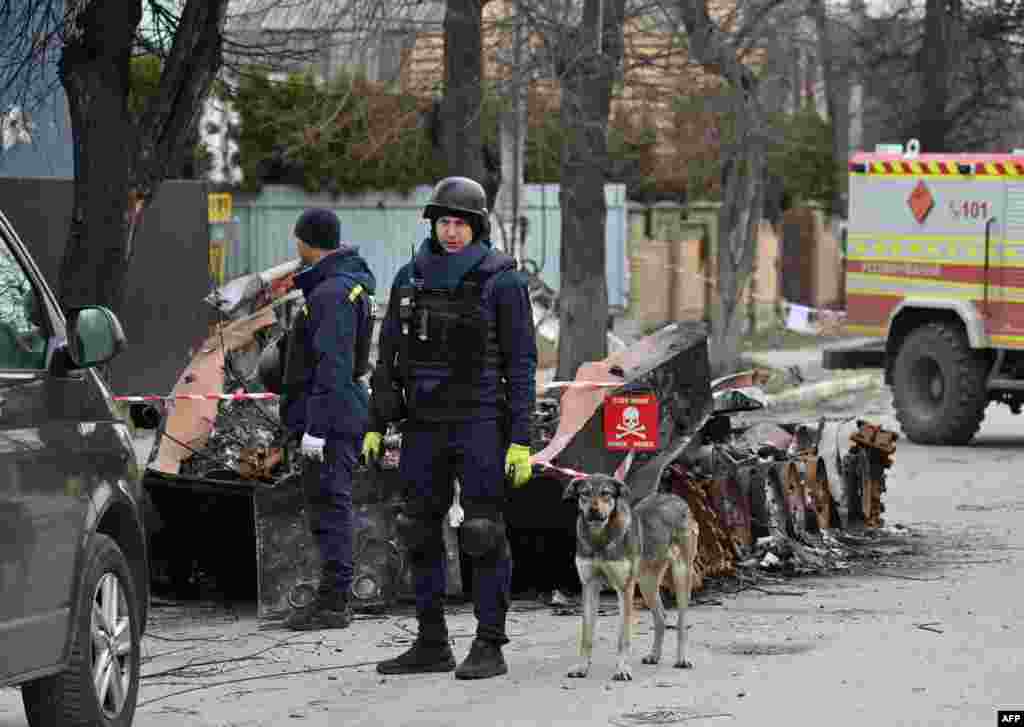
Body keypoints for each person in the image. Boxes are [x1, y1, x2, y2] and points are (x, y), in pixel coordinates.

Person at [363, 176, 537, 679]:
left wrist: (521, 439)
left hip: (482, 422)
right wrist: (377, 422)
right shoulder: (409, 278)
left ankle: (489, 644)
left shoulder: (502, 280)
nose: (452, 231)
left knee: (481, 531)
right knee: (416, 528)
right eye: (444, 222)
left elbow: (522, 364)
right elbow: (388, 356)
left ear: (477, 226)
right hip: (423, 424)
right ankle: (431, 642)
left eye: (460, 223)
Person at [279, 208, 377, 631]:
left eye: (297, 239)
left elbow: (331, 368)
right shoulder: (341, 286)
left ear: (307, 241)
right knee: (327, 507)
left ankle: (334, 603)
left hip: (331, 419)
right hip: (337, 412)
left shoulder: (332, 294)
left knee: (331, 508)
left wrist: (315, 429)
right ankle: (331, 597)